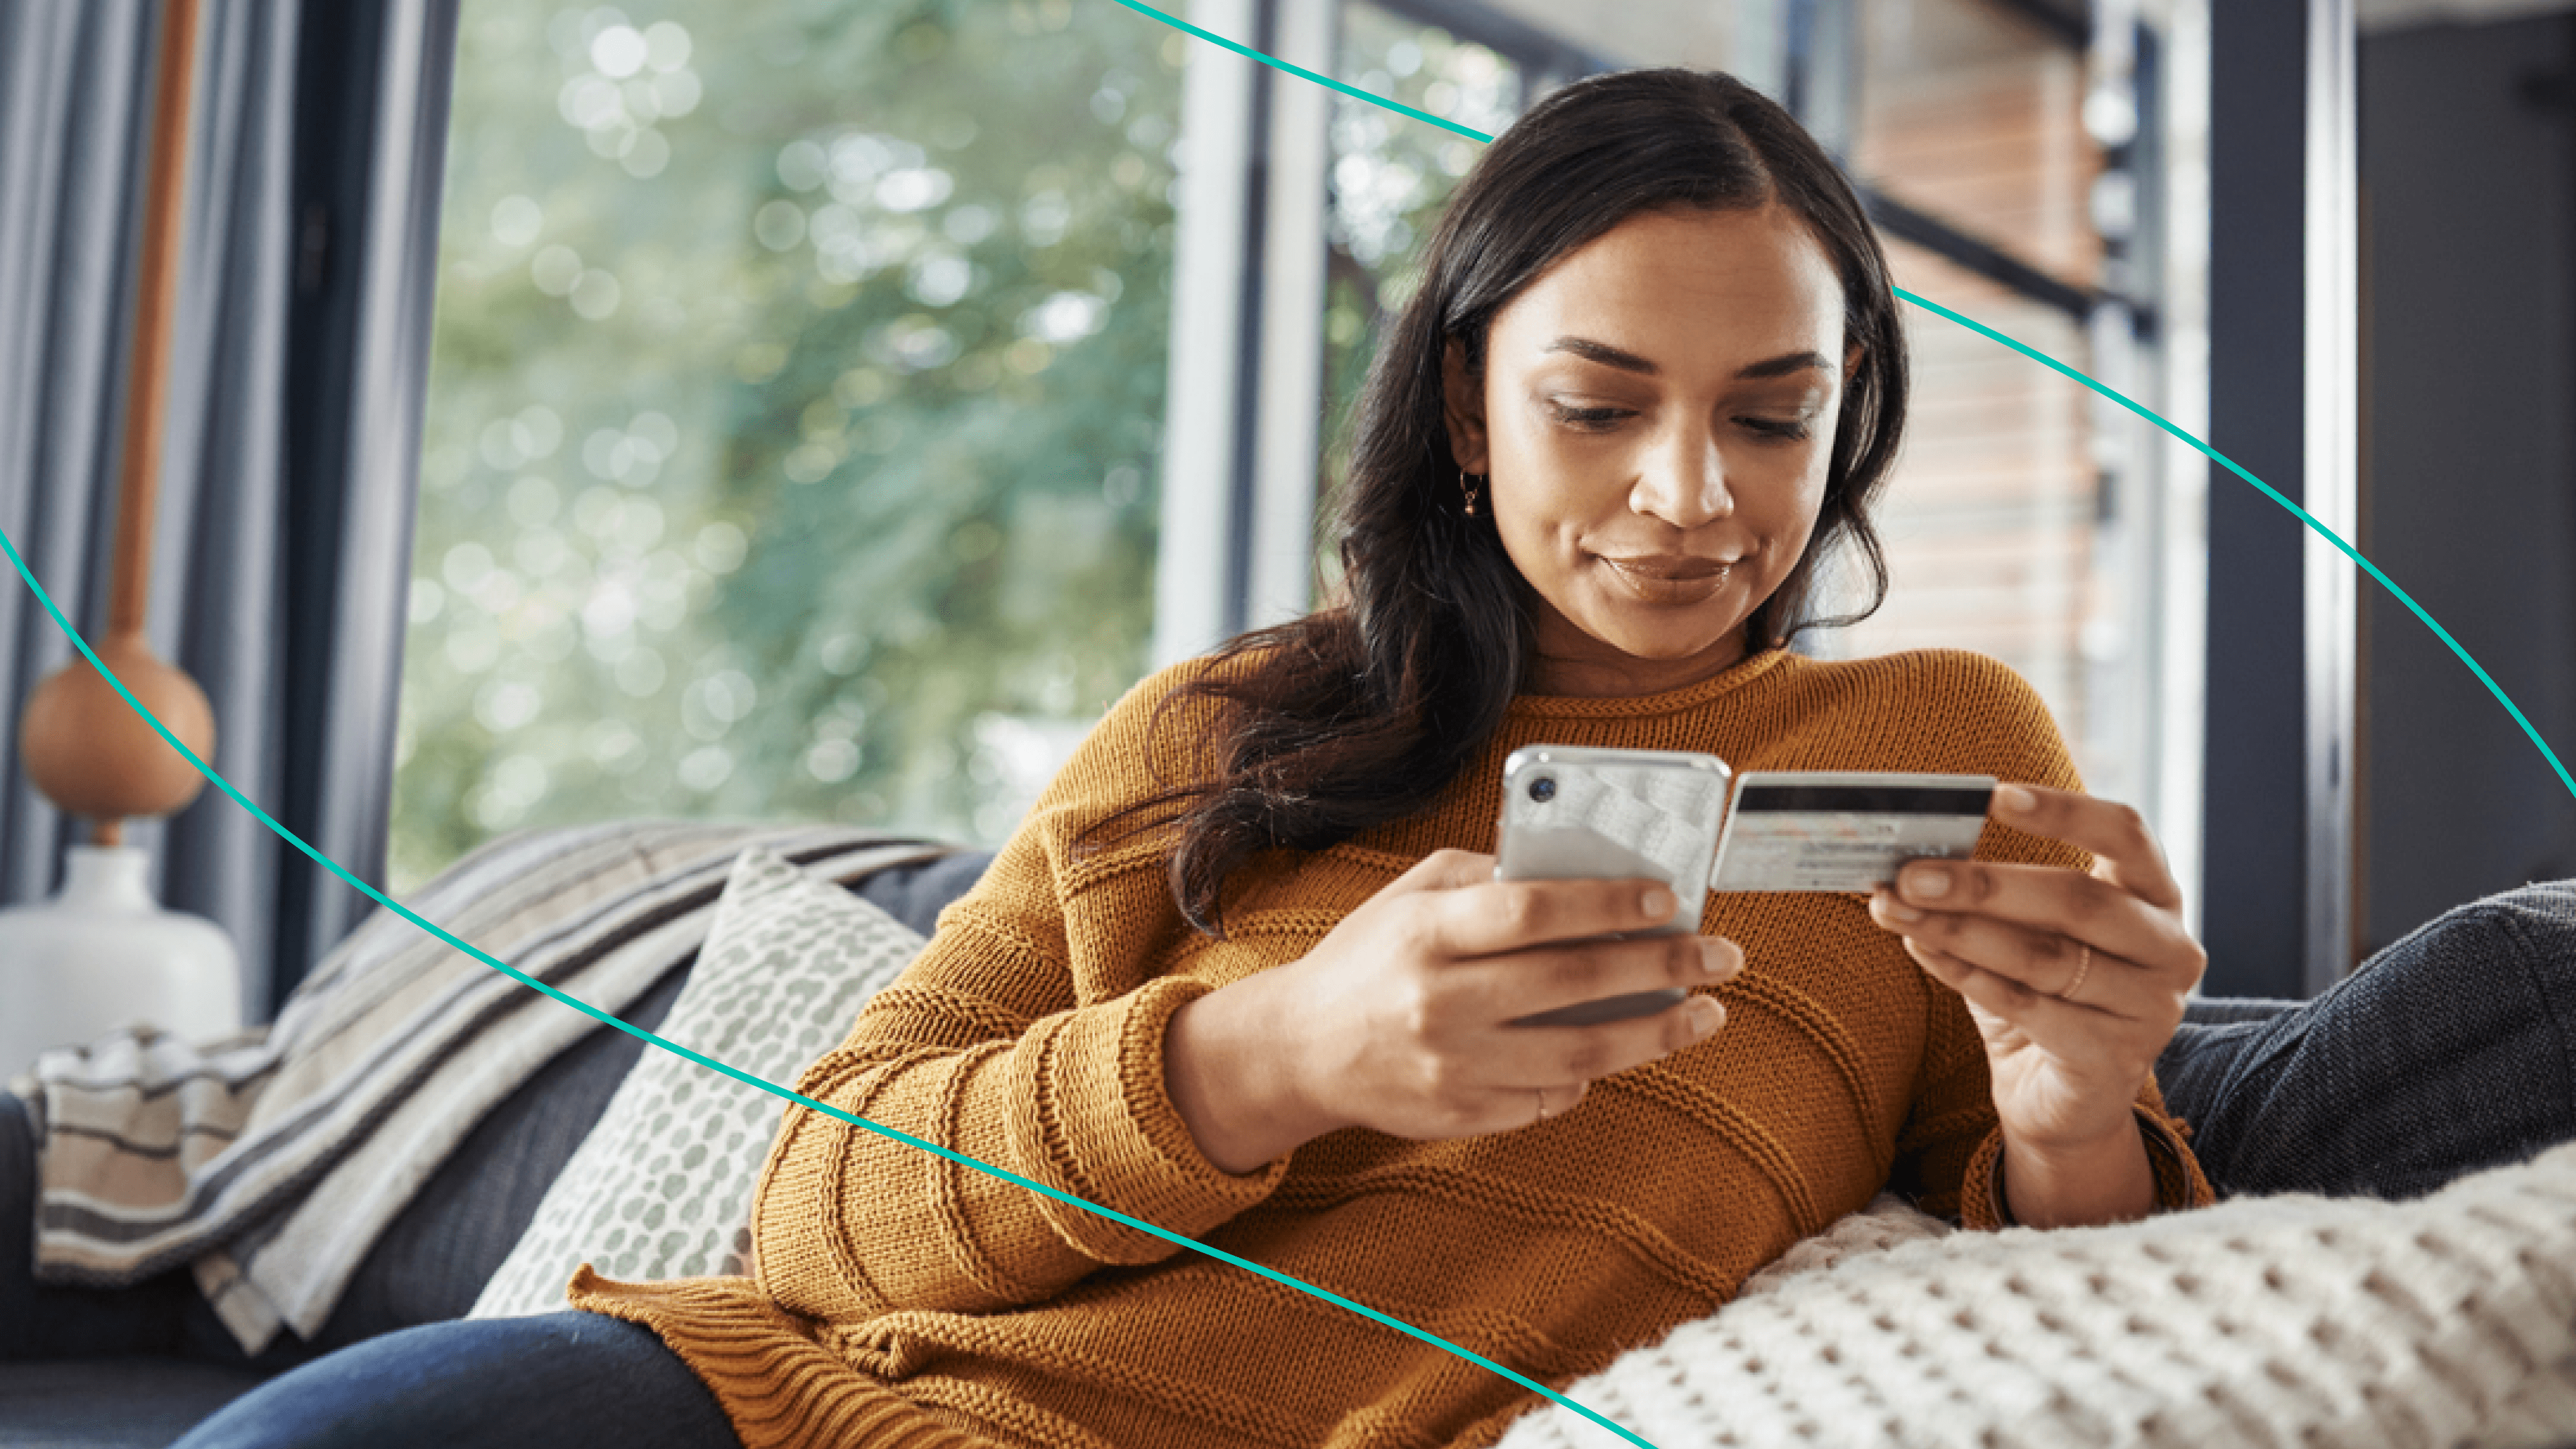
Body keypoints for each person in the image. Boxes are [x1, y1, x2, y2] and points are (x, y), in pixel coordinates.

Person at [151, 64, 2572, 1449]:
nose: (1691, 499)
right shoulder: (1234, 728)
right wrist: (1268, 1055)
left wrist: (2073, 1093)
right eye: (1600, 406)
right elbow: (820, 1209)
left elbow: (2078, 1290)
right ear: (1462, 401)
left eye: (1775, 417)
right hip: (793, 1415)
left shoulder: (1940, 745)